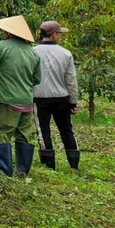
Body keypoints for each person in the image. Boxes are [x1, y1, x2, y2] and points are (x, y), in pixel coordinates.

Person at [0, 15, 42, 178]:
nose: (2, 32)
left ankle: (6, 170)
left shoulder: (3, 46)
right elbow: (37, 79)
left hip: (7, 99)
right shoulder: (32, 52)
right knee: (24, 135)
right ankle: (22, 171)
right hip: (27, 101)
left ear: (8, 32)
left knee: (2, 133)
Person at [33, 21, 80, 170]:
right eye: (59, 33)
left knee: (43, 131)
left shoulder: (32, 52)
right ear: (53, 34)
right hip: (62, 98)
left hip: (40, 98)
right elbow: (71, 80)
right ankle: (74, 165)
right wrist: (73, 102)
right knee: (66, 130)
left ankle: (49, 166)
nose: (60, 36)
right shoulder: (66, 53)